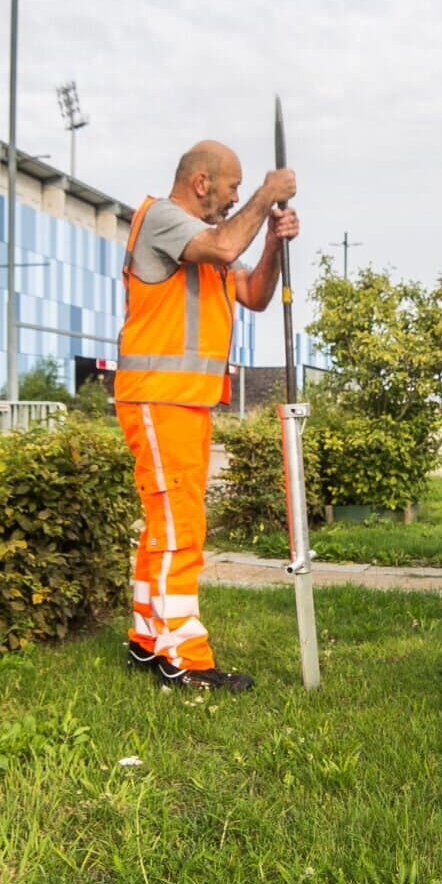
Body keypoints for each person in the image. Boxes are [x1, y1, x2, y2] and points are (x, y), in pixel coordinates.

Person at [117, 140, 299, 690]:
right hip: (158, 396)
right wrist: (268, 193)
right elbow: (223, 247)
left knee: (165, 526)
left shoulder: (203, 237)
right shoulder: (166, 220)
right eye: (233, 187)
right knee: (181, 529)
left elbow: (254, 293)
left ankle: (149, 640)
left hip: (184, 399)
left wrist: (270, 241)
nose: (237, 196)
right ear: (202, 183)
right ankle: (185, 660)